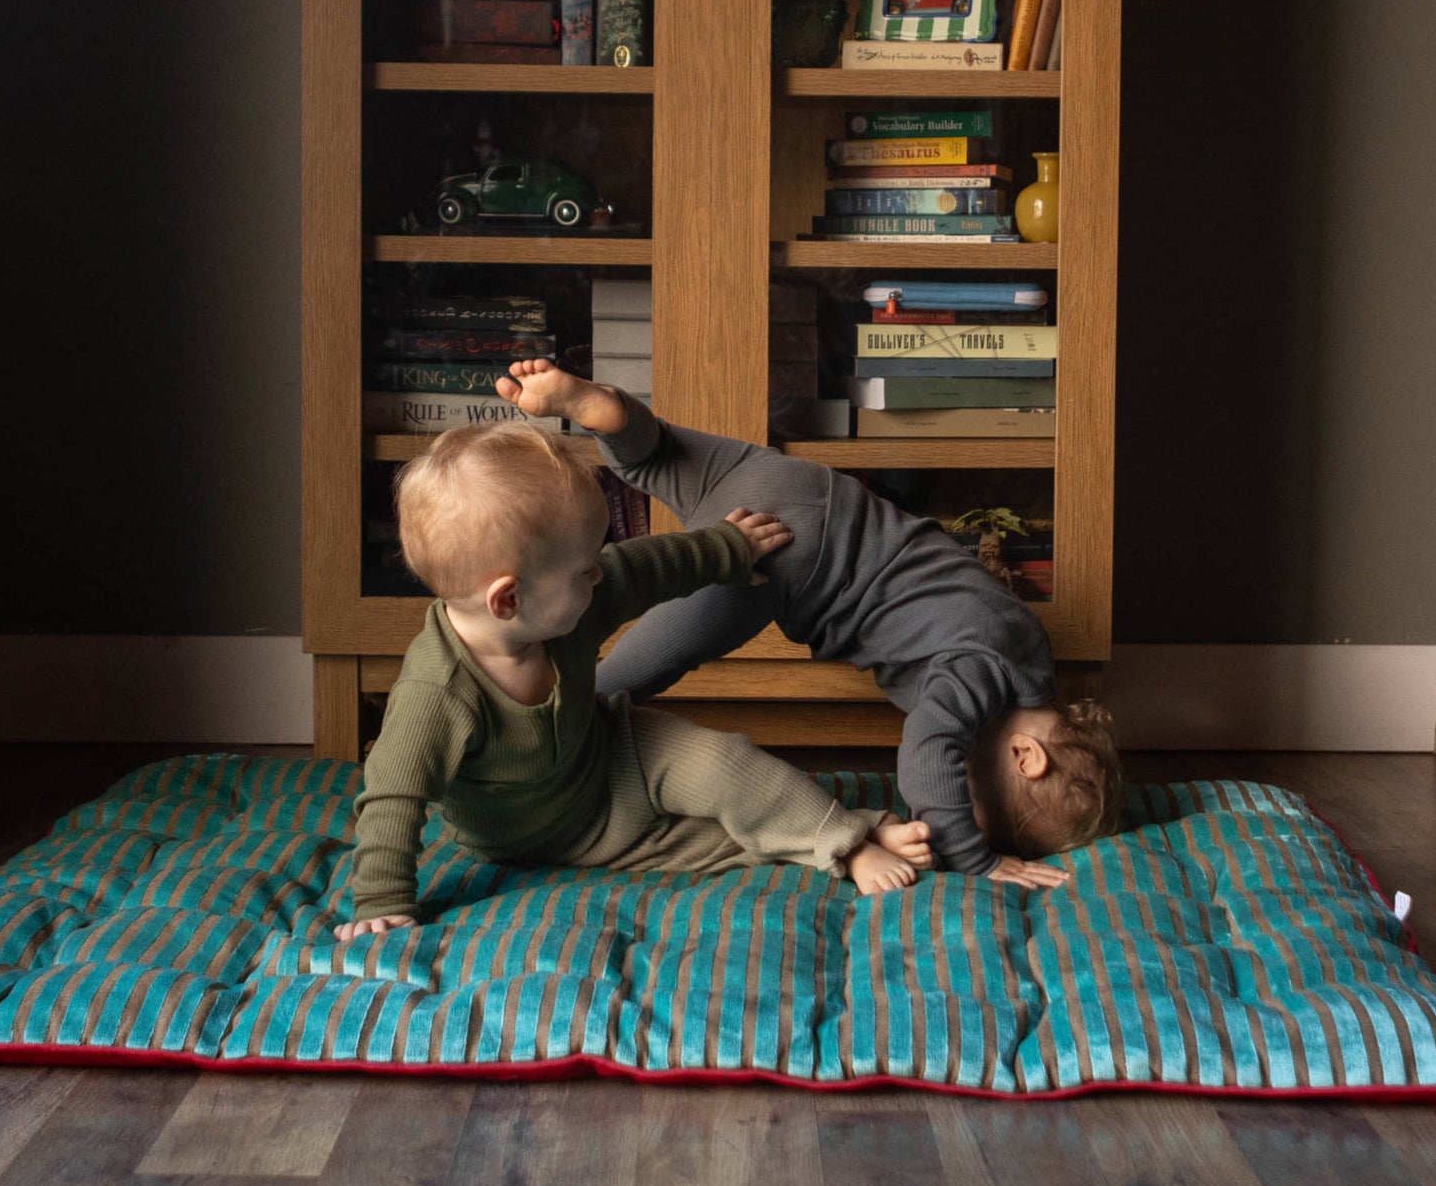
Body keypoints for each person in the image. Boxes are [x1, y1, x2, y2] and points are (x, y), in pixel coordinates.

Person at [493, 366, 1121, 884]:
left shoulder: (1028, 653)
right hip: (789, 555)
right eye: (979, 802)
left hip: (809, 491)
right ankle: (525, 744)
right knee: (619, 683)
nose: (956, 805)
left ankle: (603, 411)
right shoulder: (980, 676)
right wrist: (977, 857)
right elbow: (928, 753)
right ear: (1025, 756)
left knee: (662, 459)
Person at [337, 422, 933, 935]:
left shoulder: (563, 602)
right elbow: (394, 795)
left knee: (722, 763)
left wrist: (725, 547)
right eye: (584, 569)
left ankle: (843, 837)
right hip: (538, 835)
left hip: (610, 751)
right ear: (507, 599)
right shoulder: (435, 693)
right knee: (723, 840)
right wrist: (382, 901)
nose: (599, 574)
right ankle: (843, 841)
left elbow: (643, 568)